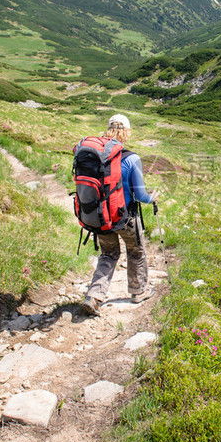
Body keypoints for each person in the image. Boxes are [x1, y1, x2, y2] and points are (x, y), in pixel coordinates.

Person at [82, 114, 158, 316]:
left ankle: (94, 296)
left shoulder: (95, 155)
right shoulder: (131, 158)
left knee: (108, 254)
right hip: (125, 218)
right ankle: (139, 291)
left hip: (100, 216)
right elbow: (141, 195)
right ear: (126, 132)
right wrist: (153, 198)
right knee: (136, 251)